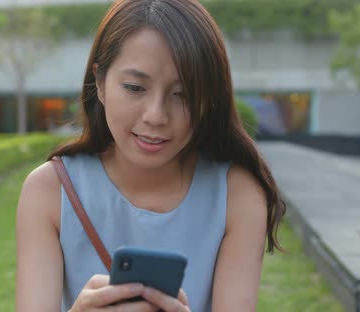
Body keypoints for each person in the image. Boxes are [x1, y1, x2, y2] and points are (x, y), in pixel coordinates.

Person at [15, 0, 286, 311]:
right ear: (100, 83)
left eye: (182, 94)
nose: (156, 116)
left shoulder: (236, 194)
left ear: (208, 99)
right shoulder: (50, 191)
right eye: (134, 88)